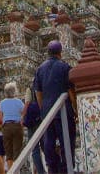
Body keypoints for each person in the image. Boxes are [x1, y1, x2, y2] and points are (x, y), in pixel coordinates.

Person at [33, 40, 77, 174]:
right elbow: (70, 91)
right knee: (67, 142)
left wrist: (43, 109)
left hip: (48, 112)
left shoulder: (40, 69)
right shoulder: (65, 67)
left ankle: (52, 168)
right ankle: (66, 168)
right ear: (60, 53)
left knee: (49, 142)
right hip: (64, 110)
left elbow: (38, 93)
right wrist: (75, 109)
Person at [0, 81, 25, 171]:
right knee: (17, 150)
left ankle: (11, 170)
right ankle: (17, 170)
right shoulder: (19, 102)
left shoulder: (2, 103)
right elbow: (24, 113)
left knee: (8, 151)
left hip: (6, 127)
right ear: (15, 91)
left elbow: (0, 117)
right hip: (17, 126)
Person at [22, 87, 46, 174]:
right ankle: (52, 166)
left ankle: (41, 171)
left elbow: (27, 102)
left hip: (32, 121)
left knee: (34, 148)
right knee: (44, 145)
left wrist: (23, 116)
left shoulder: (30, 89)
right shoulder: (41, 87)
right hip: (42, 118)